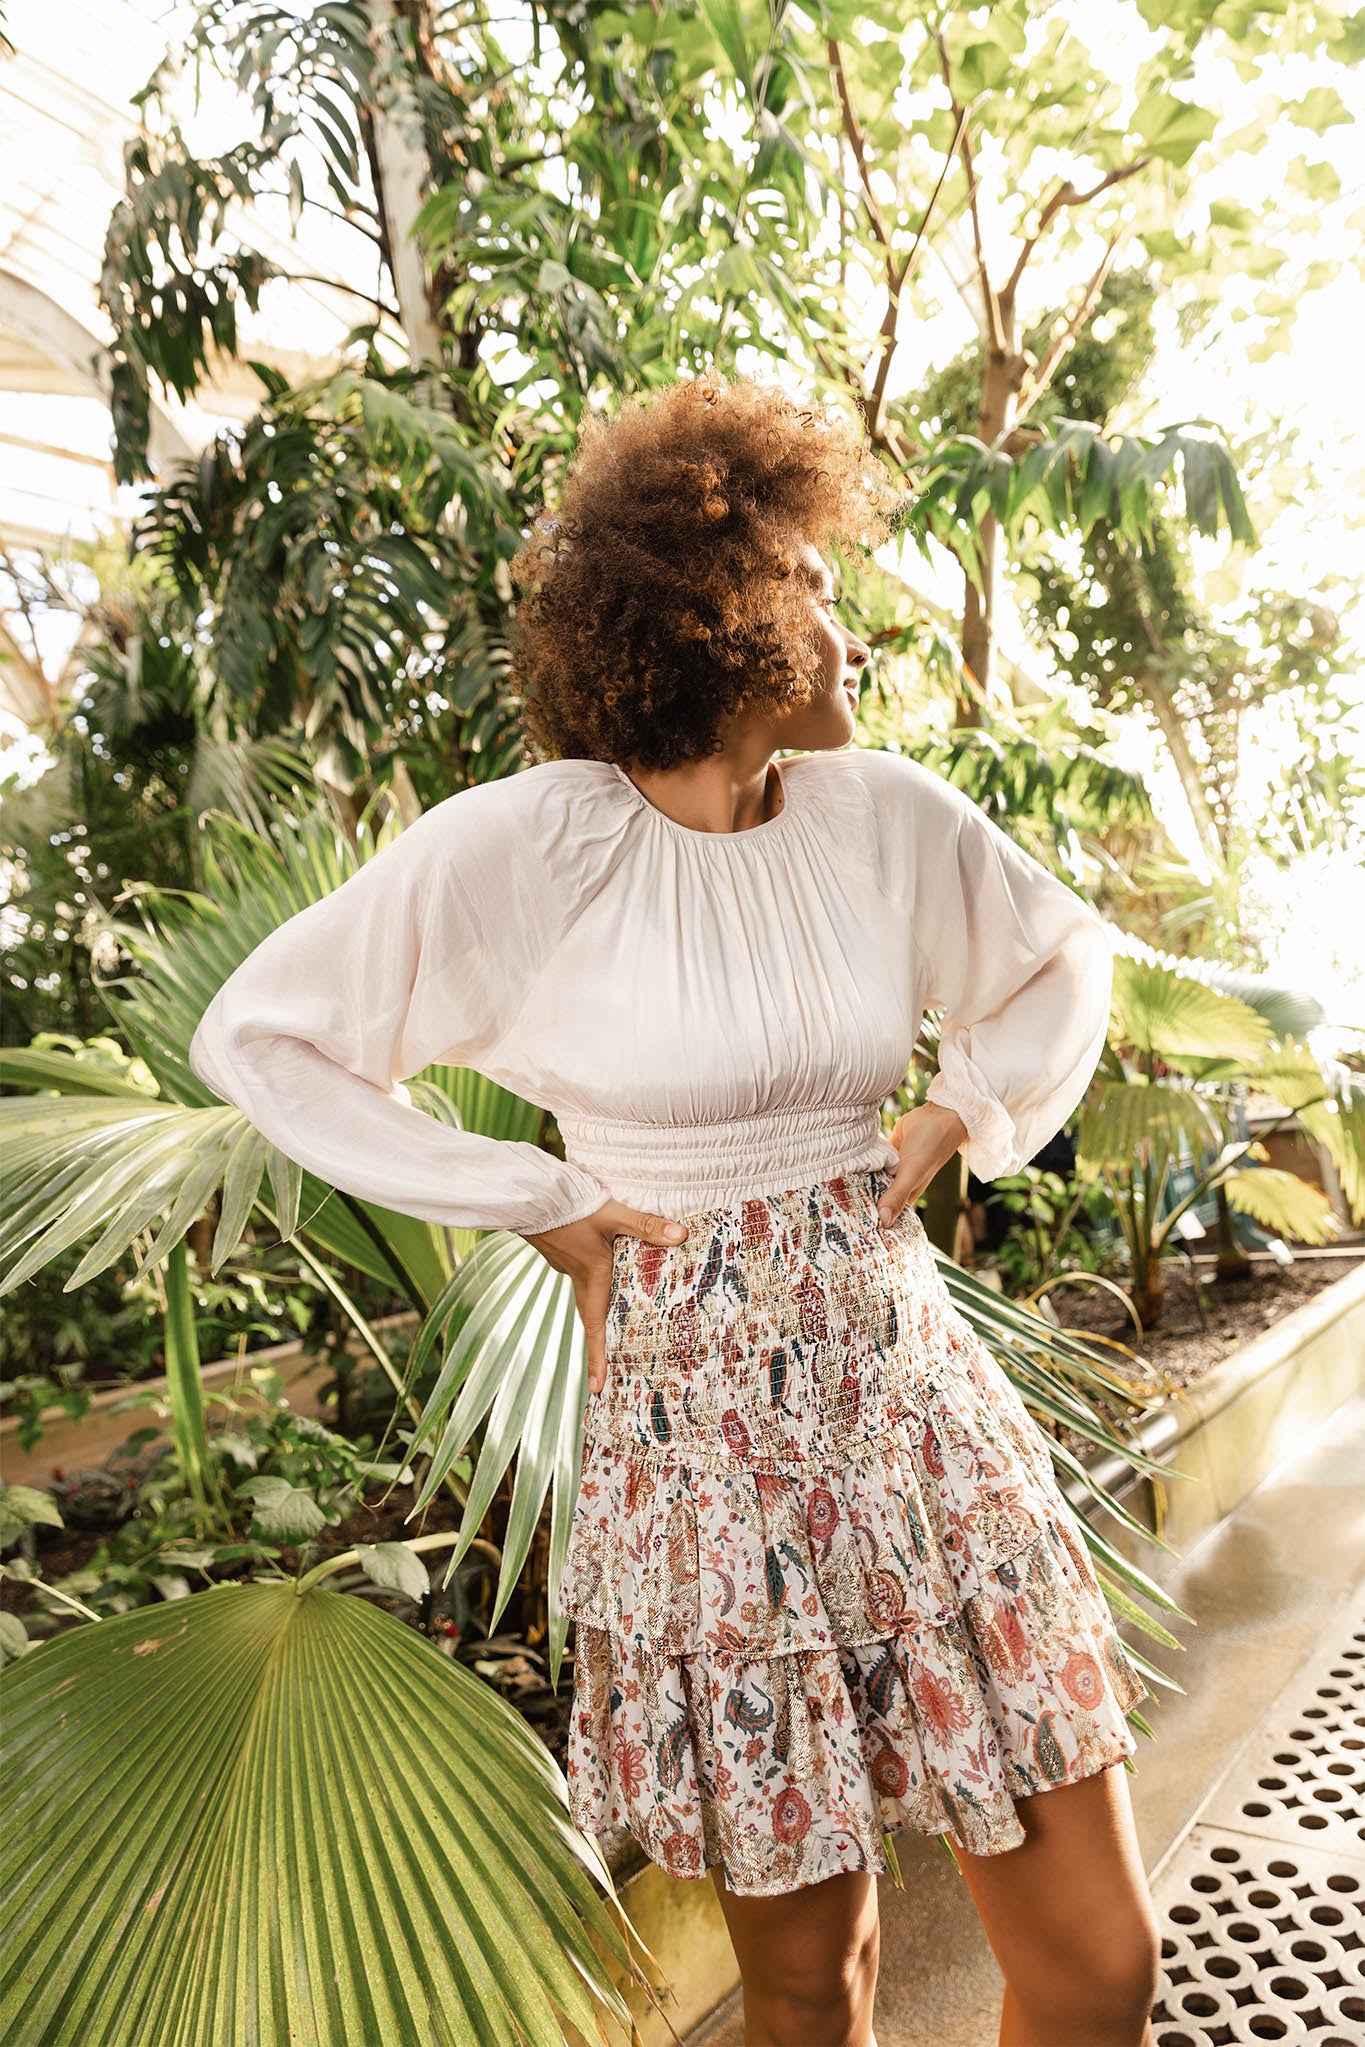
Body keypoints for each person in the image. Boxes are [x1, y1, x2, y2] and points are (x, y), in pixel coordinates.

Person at [188, 373, 1160, 2047]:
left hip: (916, 1419)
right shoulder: (527, 848)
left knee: (1098, 1965)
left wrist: (962, 1107)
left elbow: (1059, 953)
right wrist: (533, 1197)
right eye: (816, 592)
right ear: (725, 618)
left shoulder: (881, 815)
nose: (848, 635)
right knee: (808, 1984)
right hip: (701, 1457)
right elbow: (262, 1035)